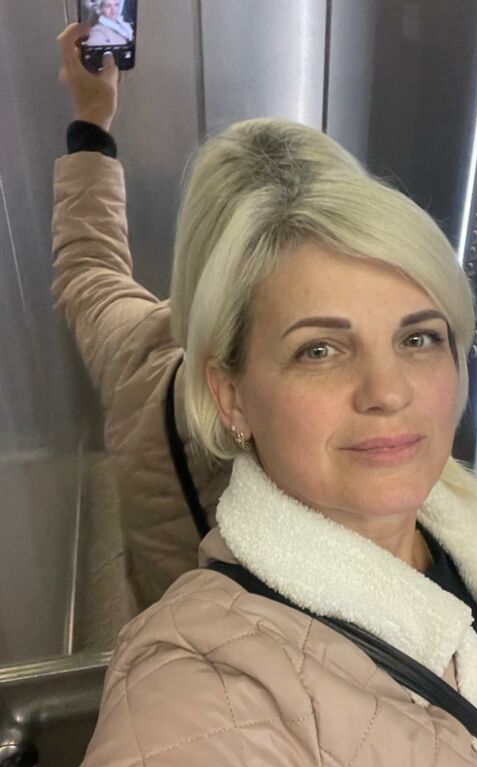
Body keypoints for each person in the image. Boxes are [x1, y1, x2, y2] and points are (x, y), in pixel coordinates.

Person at [53, 33, 477, 767]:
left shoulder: (432, 509)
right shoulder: (194, 693)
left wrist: (92, 124)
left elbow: (87, 264)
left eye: (418, 337)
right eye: (317, 348)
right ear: (228, 391)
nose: (387, 393)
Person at [55, 23, 359, 608]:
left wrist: (92, 122)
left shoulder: (139, 354)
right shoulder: (362, 416)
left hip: (173, 620)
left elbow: (88, 265)